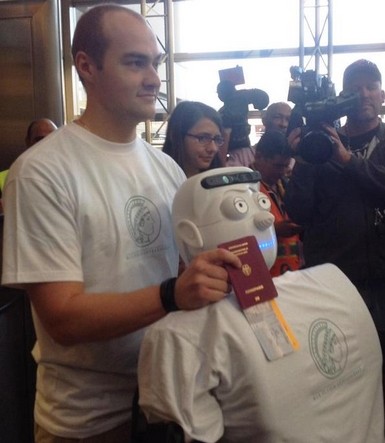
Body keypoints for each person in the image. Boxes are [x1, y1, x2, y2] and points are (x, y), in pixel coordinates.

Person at [1, 5, 241, 442]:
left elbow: (180, 273)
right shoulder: (42, 170)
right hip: (87, 421)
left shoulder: (165, 168)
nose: (153, 77)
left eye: (155, 63)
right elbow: (62, 317)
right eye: (135, 62)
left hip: (170, 401)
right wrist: (173, 294)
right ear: (86, 67)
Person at [138, 166, 384, 443]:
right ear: (189, 234)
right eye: (239, 206)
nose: (265, 217)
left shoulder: (178, 335)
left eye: (261, 203)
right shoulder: (332, 284)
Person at [284, 59, 385, 398]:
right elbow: (299, 211)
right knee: (340, 376)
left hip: (382, 283)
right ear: (342, 96)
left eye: (371, 86)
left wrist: (346, 160)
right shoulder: (321, 144)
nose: (364, 94)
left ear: (382, 94)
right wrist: (303, 159)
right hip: (334, 281)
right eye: (355, 88)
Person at [251, 131, 303, 276]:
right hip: (263, 276)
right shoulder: (244, 188)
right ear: (258, 156)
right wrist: (273, 231)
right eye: (278, 166)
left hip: (292, 273)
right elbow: (236, 237)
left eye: (286, 166)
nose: (283, 172)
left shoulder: (285, 185)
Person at [162, 100, 225, 177]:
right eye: (203, 138)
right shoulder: (159, 181)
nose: (213, 148)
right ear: (176, 135)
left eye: (217, 139)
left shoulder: (221, 181)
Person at [0, 118, 58, 194]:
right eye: (40, 140)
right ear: (28, 142)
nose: (46, 144)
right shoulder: (3, 179)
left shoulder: (68, 179)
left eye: (52, 139)